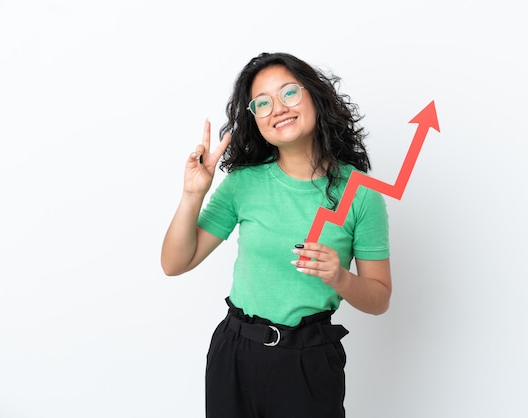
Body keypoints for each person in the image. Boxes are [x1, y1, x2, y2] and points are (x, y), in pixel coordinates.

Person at [161, 52, 391, 418]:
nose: (278, 108)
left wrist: (340, 277)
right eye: (262, 102)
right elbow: (174, 264)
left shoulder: (360, 194)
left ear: (315, 96)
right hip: (234, 353)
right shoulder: (243, 184)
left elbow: (379, 298)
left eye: (289, 93)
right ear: (255, 119)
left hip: (308, 362)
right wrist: (193, 194)